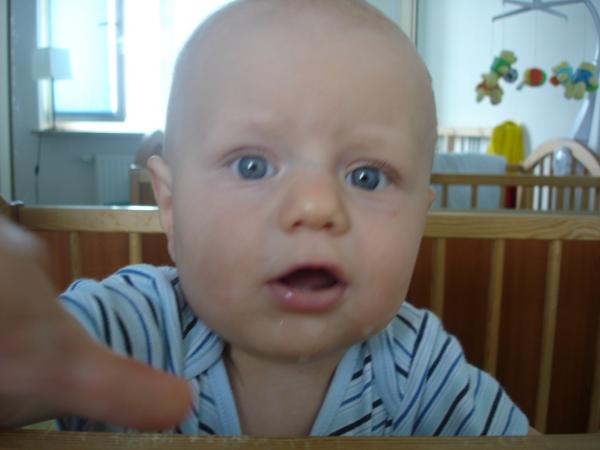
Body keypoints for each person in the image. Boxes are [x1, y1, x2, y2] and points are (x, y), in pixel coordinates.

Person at [0, 0, 532, 436]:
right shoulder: (134, 328)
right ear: (171, 204)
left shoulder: (419, 367)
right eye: (252, 166)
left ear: (420, 219)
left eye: (367, 177)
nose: (315, 207)